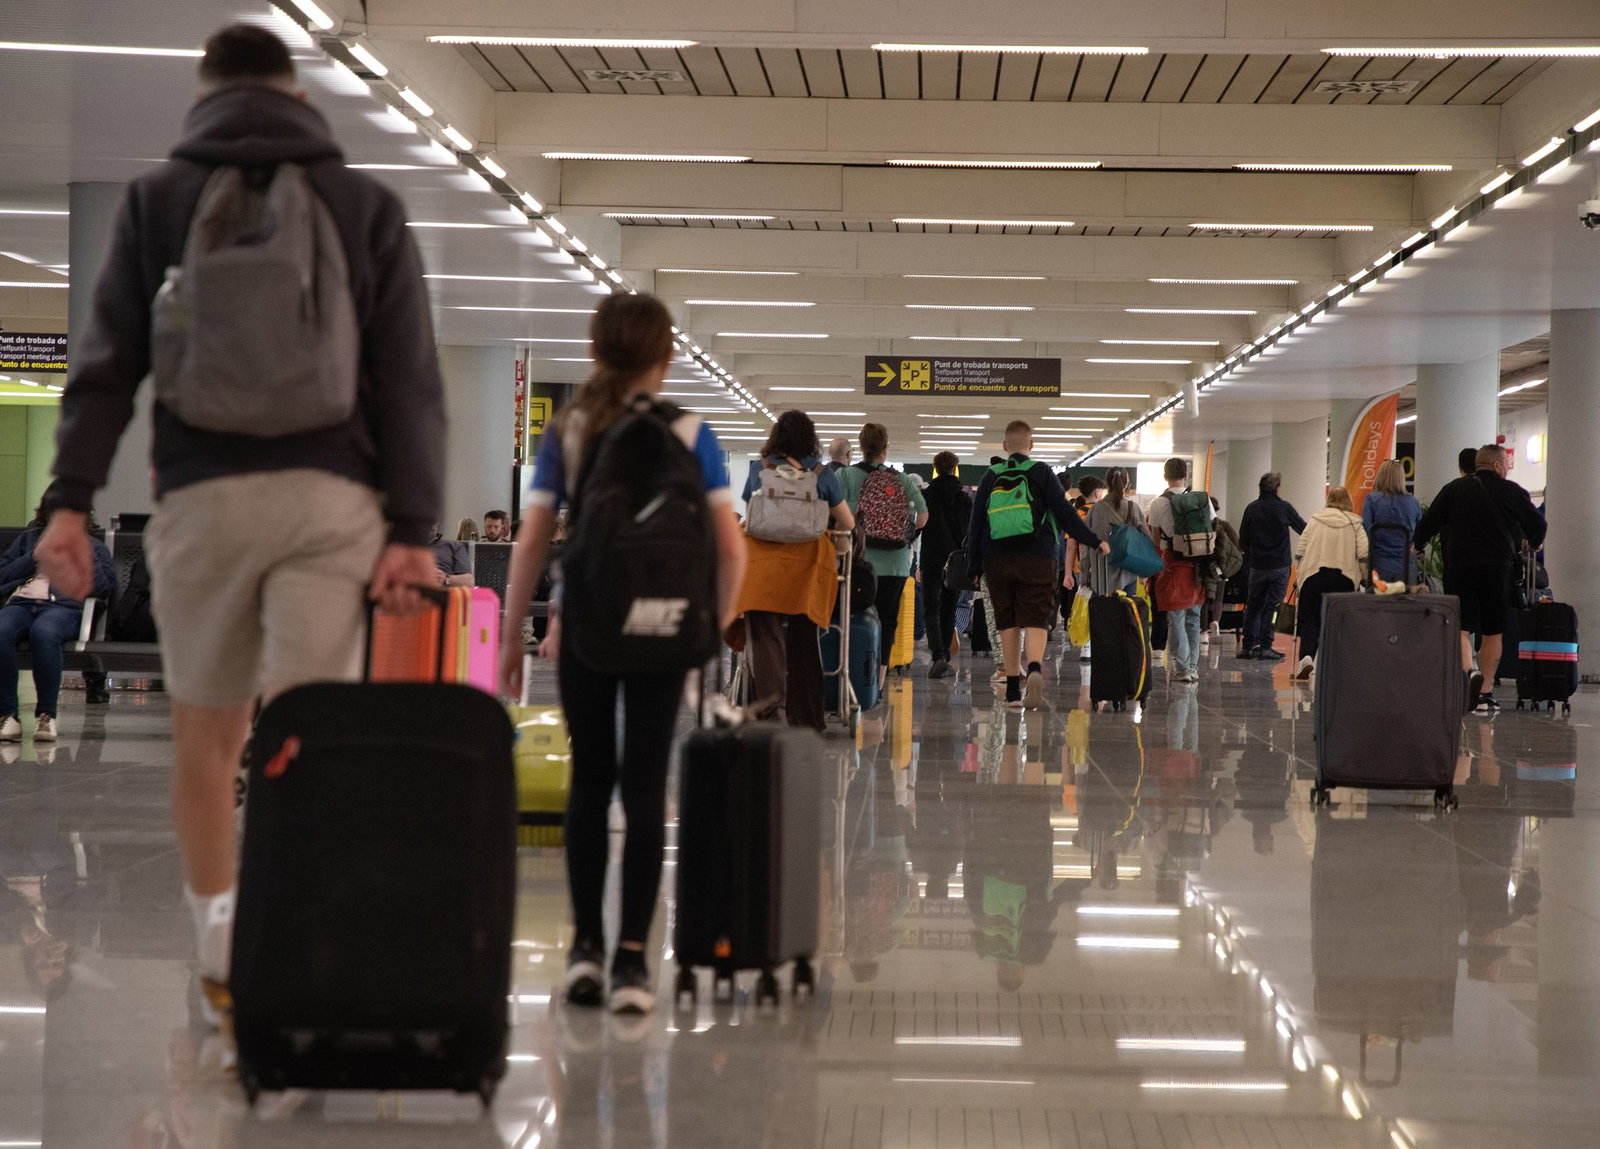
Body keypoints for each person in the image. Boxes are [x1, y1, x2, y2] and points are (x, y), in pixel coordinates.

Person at [29, 24, 445, 1026]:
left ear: (205, 94)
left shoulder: (157, 199)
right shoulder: (362, 204)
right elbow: (409, 380)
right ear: (296, 91)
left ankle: (220, 947)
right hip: (328, 506)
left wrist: (70, 504)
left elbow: (104, 370)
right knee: (304, 730)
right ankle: (301, 933)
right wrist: (412, 526)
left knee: (205, 736)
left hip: (203, 501)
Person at [499, 293, 746, 1014]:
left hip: (587, 628)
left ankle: (584, 950)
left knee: (589, 785)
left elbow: (535, 537)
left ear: (595, 353)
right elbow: (730, 549)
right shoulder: (693, 431)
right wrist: (711, 623)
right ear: (666, 358)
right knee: (644, 789)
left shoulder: (572, 428)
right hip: (667, 632)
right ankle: (635, 963)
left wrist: (517, 630)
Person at [967, 421, 1107, 710]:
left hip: (998, 557)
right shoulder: (1042, 472)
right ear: (1031, 445)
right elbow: (1065, 514)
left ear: (1005, 447)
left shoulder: (991, 475)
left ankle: (1014, 693)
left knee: (1007, 621)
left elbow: (976, 524)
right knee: (1036, 617)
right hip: (1039, 556)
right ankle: (1033, 668)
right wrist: (1093, 540)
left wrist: (973, 566)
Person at [737, 410, 854, 728]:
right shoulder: (821, 472)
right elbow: (848, 522)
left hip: (762, 565)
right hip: (807, 565)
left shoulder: (758, 468)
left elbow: (751, 514)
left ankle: (770, 712)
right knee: (805, 638)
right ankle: (807, 718)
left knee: (765, 637)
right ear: (810, 438)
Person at [1414, 444, 1546, 712]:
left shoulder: (1454, 489)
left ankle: (1469, 671)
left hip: (1460, 567)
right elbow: (1538, 526)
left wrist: (1416, 547)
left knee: (1461, 627)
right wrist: (1532, 543)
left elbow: (1428, 523)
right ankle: (1484, 693)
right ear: (1497, 466)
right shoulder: (1512, 492)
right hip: (1498, 570)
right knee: (1492, 631)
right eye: (1507, 464)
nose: (1508, 469)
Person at [0, 509, 115, 742]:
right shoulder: (28, 539)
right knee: (1, 631)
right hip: (22, 603)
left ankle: (46, 715)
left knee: (45, 632)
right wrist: (33, 556)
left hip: (64, 608)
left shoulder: (93, 545)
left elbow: (104, 588)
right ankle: (7, 715)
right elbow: (3, 574)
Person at [838, 423, 928, 695]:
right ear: (885, 450)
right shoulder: (900, 480)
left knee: (854, 616)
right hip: (896, 562)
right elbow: (923, 516)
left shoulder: (844, 475)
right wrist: (907, 537)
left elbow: (834, 513)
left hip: (858, 560)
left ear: (860, 448)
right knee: (888, 620)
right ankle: (877, 680)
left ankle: (854, 675)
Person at [1291, 487, 1369, 679]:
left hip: (1313, 576)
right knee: (1341, 622)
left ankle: (1307, 658)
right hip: (1344, 579)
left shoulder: (1314, 521)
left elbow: (1300, 551)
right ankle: (1336, 665)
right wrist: (1364, 577)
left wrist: (1300, 576)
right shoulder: (1355, 523)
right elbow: (1364, 554)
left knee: (1310, 620)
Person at [1144, 458, 1208, 683]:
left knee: (1177, 617)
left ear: (1165, 476)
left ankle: (1183, 669)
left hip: (1173, 564)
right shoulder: (1202, 500)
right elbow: (1213, 528)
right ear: (1186, 475)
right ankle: (1193, 666)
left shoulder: (1158, 503)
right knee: (1194, 618)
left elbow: (1154, 539)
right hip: (1199, 566)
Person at [1236, 472, 1306, 662]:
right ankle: (1266, 646)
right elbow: (1303, 528)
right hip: (1280, 566)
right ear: (1277, 488)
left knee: (1253, 606)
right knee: (1272, 607)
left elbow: (1242, 539)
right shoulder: (1283, 508)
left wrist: (1253, 556)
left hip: (1258, 566)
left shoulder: (1252, 508)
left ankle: (1248, 646)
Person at [920, 452, 972, 680]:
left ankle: (938, 654)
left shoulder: (926, 496)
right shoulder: (964, 499)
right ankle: (946, 659)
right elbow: (970, 532)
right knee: (949, 608)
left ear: (935, 469)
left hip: (931, 557)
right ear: (955, 469)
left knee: (930, 607)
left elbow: (919, 526)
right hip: (956, 560)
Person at [1361, 459, 1421, 583]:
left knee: (1379, 601)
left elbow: (1366, 529)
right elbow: (1419, 532)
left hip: (1379, 563)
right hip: (1406, 564)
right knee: (1406, 600)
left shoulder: (1372, 500)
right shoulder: (1413, 502)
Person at [1202, 496, 1243, 642]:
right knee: (1218, 598)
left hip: (1206, 568)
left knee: (1205, 599)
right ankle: (1216, 623)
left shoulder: (1200, 526)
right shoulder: (1225, 525)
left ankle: (1204, 632)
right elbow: (1237, 546)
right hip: (1222, 568)